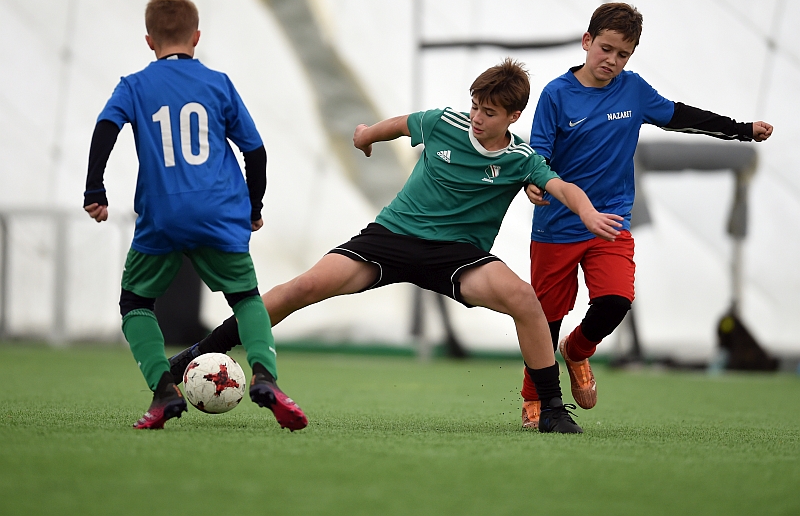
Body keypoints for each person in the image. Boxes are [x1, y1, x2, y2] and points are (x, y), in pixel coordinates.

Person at [168, 58, 624, 434]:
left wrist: (586, 214)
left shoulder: (520, 158)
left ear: (513, 117)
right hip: (391, 238)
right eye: (476, 106)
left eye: (489, 112)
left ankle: (551, 409)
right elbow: (401, 125)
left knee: (526, 300)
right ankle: (202, 350)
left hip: (457, 256)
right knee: (303, 287)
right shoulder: (446, 122)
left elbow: (562, 188)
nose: (478, 118)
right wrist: (366, 135)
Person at [519, 2, 774, 429]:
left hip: (612, 222)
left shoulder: (633, 90)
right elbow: (538, 156)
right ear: (587, 42)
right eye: (606, 49)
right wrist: (532, 184)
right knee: (545, 321)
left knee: (616, 301)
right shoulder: (556, 94)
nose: (612, 61)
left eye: (623, 55)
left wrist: (742, 128)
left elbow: (681, 117)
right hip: (557, 228)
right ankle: (536, 399)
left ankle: (578, 350)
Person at [82, 0, 307, 431]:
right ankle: (266, 377)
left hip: (162, 214)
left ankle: (163, 390)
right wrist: (253, 206)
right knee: (244, 298)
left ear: (149, 41)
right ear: (197, 37)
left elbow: (105, 127)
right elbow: (255, 151)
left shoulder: (133, 85)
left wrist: (96, 188)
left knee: (136, 302)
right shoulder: (218, 83)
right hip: (219, 212)